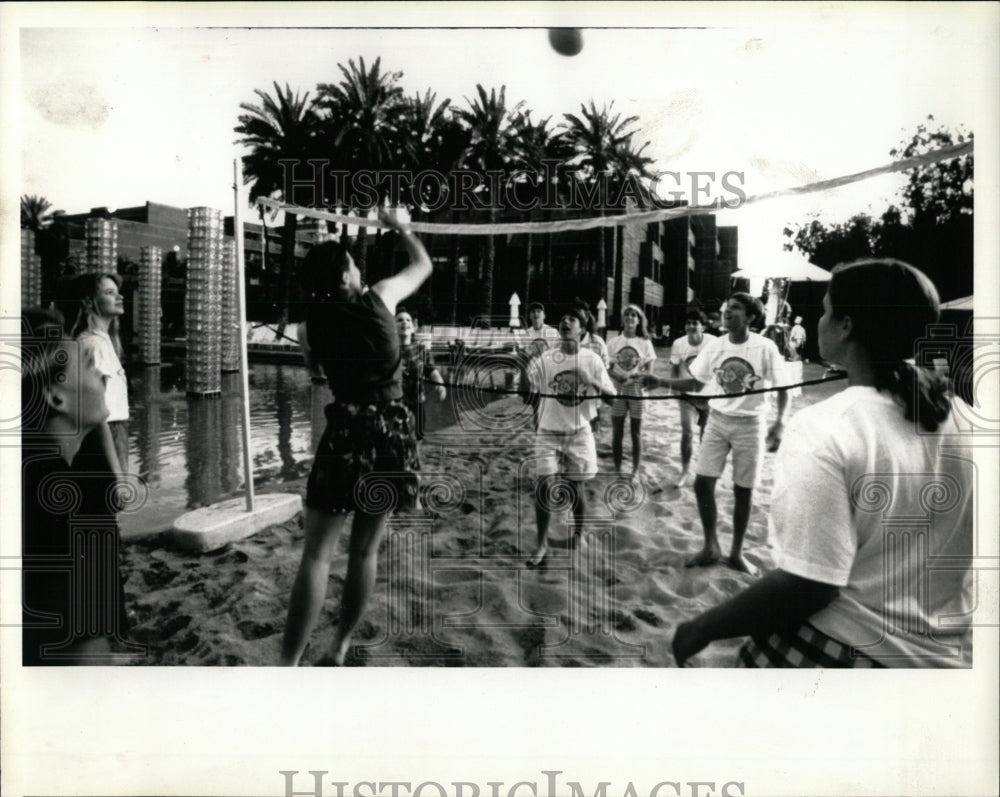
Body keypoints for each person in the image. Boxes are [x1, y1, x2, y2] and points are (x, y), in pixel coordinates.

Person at [672, 259, 974, 668]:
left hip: (854, 642)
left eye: (827, 310)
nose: (818, 321)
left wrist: (701, 628)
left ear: (847, 326)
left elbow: (808, 586)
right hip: (950, 657)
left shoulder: (825, 426)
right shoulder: (965, 416)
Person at [280, 208, 433, 666]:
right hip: (390, 434)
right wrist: (401, 227)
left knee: (316, 557)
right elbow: (424, 265)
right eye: (352, 262)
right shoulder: (382, 298)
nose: (359, 267)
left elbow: (315, 373)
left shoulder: (310, 327)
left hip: (345, 429)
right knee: (364, 552)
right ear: (347, 273)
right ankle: (339, 646)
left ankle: (286, 664)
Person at [644, 292, 788, 574]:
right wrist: (661, 381)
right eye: (726, 307)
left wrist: (780, 422)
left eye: (735, 308)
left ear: (750, 317)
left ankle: (736, 553)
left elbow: (784, 387)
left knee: (743, 490)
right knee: (702, 484)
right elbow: (697, 383)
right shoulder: (717, 345)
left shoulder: (765, 347)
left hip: (751, 424)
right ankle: (711, 546)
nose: (727, 311)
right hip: (718, 420)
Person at [21, 307, 132, 665]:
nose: (101, 374)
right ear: (55, 398)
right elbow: (83, 672)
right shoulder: (73, 518)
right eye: (87, 365)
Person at [525, 306, 617, 567]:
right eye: (563, 317)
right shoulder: (545, 358)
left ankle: (577, 536)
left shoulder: (592, 360)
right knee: (543, 486)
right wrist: (522, 365)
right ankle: (541, 543)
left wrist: (590, 380)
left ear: (583, 330)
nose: (565, 321)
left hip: (579, 432)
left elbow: (612, 399)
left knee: (576, 489)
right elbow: (527, 393)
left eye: (572, 319)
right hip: (548, 431)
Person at [65, 272, 129, 476]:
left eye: (118, 292)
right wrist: (118, 475)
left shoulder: (102, 341)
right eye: (110, 293)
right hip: (105, 437)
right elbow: (97, 416)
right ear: (89, 302)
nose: (120, 297)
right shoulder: (93, 345)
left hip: (112, 434)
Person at [606, 304, 657, 480]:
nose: (629, 318)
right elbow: (608, 368)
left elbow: (650, 370)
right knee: (617, 431)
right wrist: (617, 377)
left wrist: (637, 375)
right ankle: (618, 468)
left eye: (633, 315)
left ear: (638, 320)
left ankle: (635, 470)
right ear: (622, 319)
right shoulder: (613, 342)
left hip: (637, 389)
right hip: (618, 389)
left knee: (636, 432)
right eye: (626, 314)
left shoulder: (645, 342)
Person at [669, 308, 712, 487]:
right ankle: (685, 471)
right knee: (687, 433)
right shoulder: (678, 344)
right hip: (687, 396)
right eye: (688, 323)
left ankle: (703, 471)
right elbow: (673, 367)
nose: (691, 326)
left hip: (709, 396)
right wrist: (673, 388)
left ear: (702, 326)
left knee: (706, 436)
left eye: (695, 323)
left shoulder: (712, 342)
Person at [396, 306, 446, 439]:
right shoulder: (390, 351)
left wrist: (439, 383)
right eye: (399, 320)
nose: (404, 322)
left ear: (413, 327)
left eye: (408, 320)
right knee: (399, 435)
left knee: (419, 434)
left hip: (418, 400)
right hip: (396, 401)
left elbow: (431, 369)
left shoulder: (421, 349)